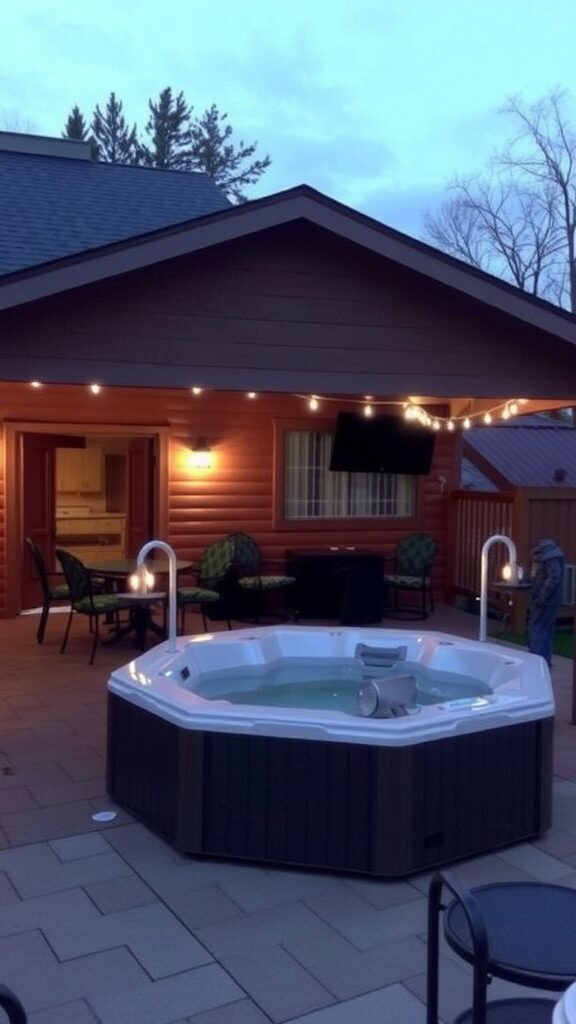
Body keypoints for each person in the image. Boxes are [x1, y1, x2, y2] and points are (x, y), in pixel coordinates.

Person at [528, 538, 565, 666]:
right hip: (549, 601)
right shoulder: (552, 556)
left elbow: (553, 579)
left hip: (545, 602)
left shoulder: (549, 558)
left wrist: (541, 597)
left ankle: (535, 662)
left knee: (538, 631)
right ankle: (545, 661)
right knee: (546, 631)